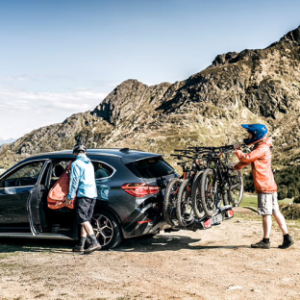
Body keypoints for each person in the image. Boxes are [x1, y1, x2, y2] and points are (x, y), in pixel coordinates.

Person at [233, 124, 294, 249]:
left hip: (264, 186)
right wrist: (235, 167)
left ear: (256, 135)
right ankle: (287, 237)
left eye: (250, 134)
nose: (248, 136)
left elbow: (247, 158)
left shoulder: (262, 148)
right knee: (275, 212)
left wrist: (237, 150)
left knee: (266, 214)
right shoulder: (261, 147)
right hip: (269, 185)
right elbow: (248, 161)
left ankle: (266, 240)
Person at [64, 137, 101, 254]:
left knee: (83, 219)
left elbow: (74, 181)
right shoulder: (89, 164)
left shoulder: (76, 164)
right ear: (84, 152)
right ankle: (81, 245)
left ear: (75, 153)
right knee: (85, 220)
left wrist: (70, 197)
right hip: (92, 194)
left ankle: (94, 242)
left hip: (83, 194)